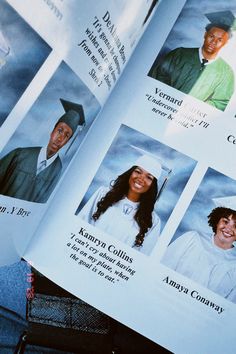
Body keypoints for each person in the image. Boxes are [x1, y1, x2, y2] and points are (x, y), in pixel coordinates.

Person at [0, 98, 85, 203]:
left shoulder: (57, 170)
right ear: (52, 132)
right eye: (59, 130)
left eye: (66, 136)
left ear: (67, 142)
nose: (60, 138)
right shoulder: (20, 154)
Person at [149, 11, 235, 111]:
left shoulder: (226, 73)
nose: (214, 42)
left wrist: (194, 108)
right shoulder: (179, 54)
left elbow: (220, 102)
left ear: (225, 43)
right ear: (205, 34)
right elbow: (158, 76)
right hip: (160, 107)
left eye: (220, 40)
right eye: (211, 36)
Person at [79, 154, 162, 255]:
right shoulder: (103, 194)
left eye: (149, 177)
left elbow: (141, 256)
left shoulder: (152, 220)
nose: (141, 178)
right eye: (138, 172)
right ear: (130, 173)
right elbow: (81, 222)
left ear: (152, 185)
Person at [162, 196, 236, 303]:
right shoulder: (192, 239)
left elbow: (228, 306)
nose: (228, 229)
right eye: (225, 221)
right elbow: (163, 267)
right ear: (217, 221)